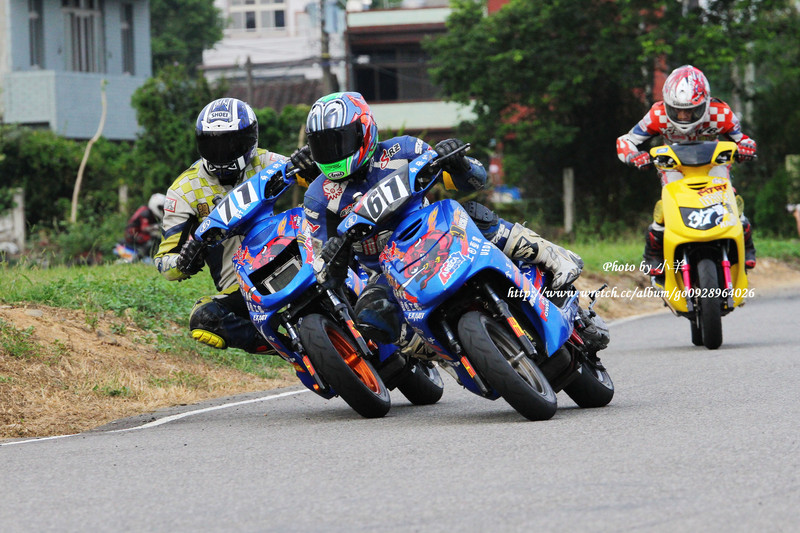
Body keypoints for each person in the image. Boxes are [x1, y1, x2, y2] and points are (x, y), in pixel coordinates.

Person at [291, 92, 604, 352]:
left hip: (441, 235)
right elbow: (326, 273)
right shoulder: (318, 196)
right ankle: (441, 353)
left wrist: (457, 161)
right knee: (372, 316)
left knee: (474, 214)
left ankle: (553, 256)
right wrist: (334, 257)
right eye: (323, 145)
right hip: (389, 273)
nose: (332, 153)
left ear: (364, 130)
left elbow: (475, 181)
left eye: (339, 141)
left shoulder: (404, 149)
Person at [154, 97, 293, 354]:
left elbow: (320, 179)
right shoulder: (183, 191)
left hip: (291, 257)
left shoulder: (267, 161)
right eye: (212, 145)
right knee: (202, 319)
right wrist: (184, 262)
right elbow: (164, 262)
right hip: (244, 288)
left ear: (250, 140)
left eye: (230, 143)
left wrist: (308, 163)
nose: (221, 154)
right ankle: (289, 349)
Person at [616, 65, 758, 274]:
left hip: (713, 165)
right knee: (667, 205)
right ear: (667, 104)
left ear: (705, 103)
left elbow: (744, 139)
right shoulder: (657, 114)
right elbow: (626, 140)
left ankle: (746, 244)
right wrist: (634, 155)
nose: (683, 116)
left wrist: (746, 148)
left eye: (691, 110)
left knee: (731, 200)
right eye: (677, 109)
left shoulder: (720, 112)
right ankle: (653, 254)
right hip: (674, 166)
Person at [121, 193, 165, 262]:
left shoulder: (150, 212)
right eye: (161, 208)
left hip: (137, 233)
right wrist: (156, 226)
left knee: (158, 238)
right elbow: (144, 228)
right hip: (132, 234)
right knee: (152, 240)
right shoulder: (146, 212)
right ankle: (136, 259)